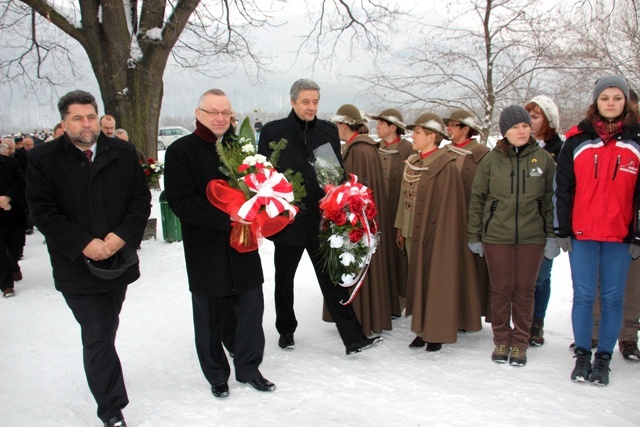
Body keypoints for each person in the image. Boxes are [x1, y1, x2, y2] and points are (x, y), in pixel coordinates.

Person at [26, 90, 151, 427]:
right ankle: (111, 409)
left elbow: (140, 201)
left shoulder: (122, 152)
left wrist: (120, 236)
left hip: (117, 261)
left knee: (107, 327)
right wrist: (84, 244)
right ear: (64, 123)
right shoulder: (43, 159)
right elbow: (43, 212)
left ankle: (105, 378)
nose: (86, 124)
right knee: (97, 330)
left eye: (91, 117)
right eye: (78, 118)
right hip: (76, 266)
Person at [164, 88, 275, 398]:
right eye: (213, 111)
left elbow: (261, 187)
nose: (219, 117)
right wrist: (228, 218)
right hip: (206, 248)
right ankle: (216, 374)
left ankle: (250, 368)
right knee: (210, 317)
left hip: (244, 247)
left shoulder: (243, 150)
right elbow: (180, 200)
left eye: (225, 112)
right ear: (198, 114)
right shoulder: (180, 151)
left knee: (251, 309)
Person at [257, 79, 382, 355]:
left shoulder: (326, 131)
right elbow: (263, 178)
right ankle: (286, 330)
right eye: (305, 101)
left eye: (315, 101)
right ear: (292, 102)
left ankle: (353, 339)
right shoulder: (273, 132)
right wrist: (282, 206)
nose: (312, 106)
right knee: (284, 280)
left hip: (320, 221)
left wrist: (339, 206)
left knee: (331, 279)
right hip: (288, 221)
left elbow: (332, 176)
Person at [556, 75, 640, 386]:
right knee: (584, 296)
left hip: (620, 236)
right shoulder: (577, 139)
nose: (611, 103)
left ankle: (603, 358)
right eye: (605, 98)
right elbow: (562, 188)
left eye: (617, 98)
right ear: (596, 102)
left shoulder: (636, 140)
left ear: (626, 102)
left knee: (613, 298)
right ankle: (582, 355)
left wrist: (638, 234)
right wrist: (562, 229)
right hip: (583, 234)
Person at [468, 105, 557, 367]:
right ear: (504, 131)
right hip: (497, 236)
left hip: (533, 237)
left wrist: (552, 235)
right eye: (516, 126)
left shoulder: (543, 160)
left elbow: (551, 200)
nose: (522, 130)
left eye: (526, 126)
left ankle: (520, 342)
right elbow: (478, 199)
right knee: (501, 290)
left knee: (525, 291)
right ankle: (501, 339)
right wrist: (474, 234)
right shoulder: (491, 160)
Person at [395, 113, 482, 352]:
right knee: (419, 280)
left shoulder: (445, 166)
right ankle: (422, 330)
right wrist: (402, 227)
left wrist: (439, 236)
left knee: (436, 282)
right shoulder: (415, 160)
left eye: (418, 133)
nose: (413, 136)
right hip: (414, 231)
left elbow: (450, 211)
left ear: (432, 137)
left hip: (434, 235)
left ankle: (435, 332)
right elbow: (406, 197)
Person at [327, 104, 393, 336]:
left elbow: (355, 191)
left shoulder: (359, 150)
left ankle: (361, 317)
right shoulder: (362, 147)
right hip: (362, 220)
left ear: (344, 125)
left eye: (337, 125)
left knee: (359, 264)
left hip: (359, 221)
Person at [443, 109, 492, 322]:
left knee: (471, 268)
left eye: (454, 125)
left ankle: (468, 313)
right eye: (449, 125)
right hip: (447, 221)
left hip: (471, 220)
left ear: (466, 129)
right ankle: (450, 309)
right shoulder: (444, 152)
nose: (449, 128)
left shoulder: (482, 154)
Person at [523, 95, 563, 346]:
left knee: (541, 277)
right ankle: (523, 321)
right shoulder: (519, 145)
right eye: (527, 116)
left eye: (535, 116)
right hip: (520, 222)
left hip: (546, 221)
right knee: (521, 277)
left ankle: (537, 322)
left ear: (548, 120)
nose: (530, 121)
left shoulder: (560, 150)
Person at [368, 108, 413, 318]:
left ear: (392, 127)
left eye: (380, 124)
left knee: (400, 259)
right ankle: (383, 299)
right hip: (376, 216)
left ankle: (401, 299)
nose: (376, 127)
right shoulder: (373, 150)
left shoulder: (410, 153)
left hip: (400, 215)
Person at [1, 150, 25, 298]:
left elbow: (21, 182)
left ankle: (14, 264)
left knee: (16, 247)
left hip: (13, 214)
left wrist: (8, 196)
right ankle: (6, 285)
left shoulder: (9, 162)